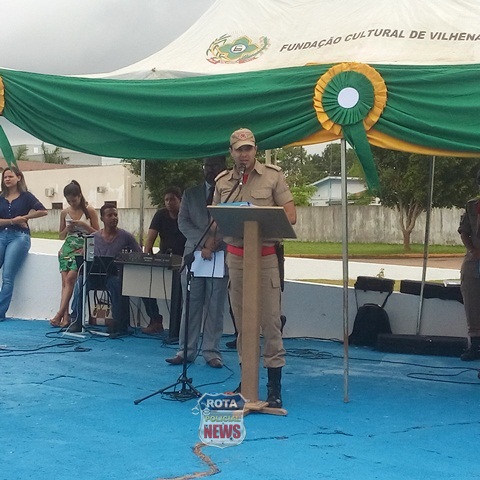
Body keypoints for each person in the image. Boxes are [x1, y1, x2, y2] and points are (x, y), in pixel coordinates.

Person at [213, 128, 296, 408]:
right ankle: (246, 381)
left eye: (248, 148)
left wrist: (260, 216)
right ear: (231, 152)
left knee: (270, 323)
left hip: (265, 258)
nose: (244, 154)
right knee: (242, 325)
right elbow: (216, 219)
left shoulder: (273, 176)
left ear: (255, 150)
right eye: (239, 150)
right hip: (236, 259)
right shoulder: (223, 182)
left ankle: (274, 388)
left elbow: (290, 215)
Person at [166, 156, 229, 368]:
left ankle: (212, 352)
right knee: (191, 306)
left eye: (215, 166)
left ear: (224, 168)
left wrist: (216, 242)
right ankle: (185, 350)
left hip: (220, 255)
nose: (211, 170)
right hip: (195, 255)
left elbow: (236, 222)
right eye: (207, 166)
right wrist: (203, 243)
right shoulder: (190, 194)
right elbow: (183, 222)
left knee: (215, 307)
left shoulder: (232, 194)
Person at [69, 203, 163, 336]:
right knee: (80, 282)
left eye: (115, 215)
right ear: (102, 218)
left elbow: (139, 255)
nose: (114, 217)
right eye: (110, 215)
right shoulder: (93, 237)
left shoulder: (126, 236)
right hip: (95, 275)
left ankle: (118, 322)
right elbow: (85, 257)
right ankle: (76, 320)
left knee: (115, 283)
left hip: (115, 275)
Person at [0, 166, 47, 320]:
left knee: (8, 276)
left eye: (10, 176)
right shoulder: (0, 197)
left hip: (19, 237)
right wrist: (13, 221)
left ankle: (0, 312)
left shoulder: (26, 196)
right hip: (1, 235)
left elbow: (43, 211)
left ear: (18, 178)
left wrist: (26, 218)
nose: (7, 179)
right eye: (5, 177)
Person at [50, 181, 99, 328]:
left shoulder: (89, 211)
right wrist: (68, 229)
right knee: (65, 282)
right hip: (67, 247)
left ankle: (59, 314)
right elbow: (60, 235)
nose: (72, 203)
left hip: (82, 247)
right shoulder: (65, 212)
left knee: (71, 278)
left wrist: (83, 225)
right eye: (69, 201)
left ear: (80, 196)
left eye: (74, 200)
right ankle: (65, 317)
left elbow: (98, 233)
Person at [143, 186, 186, 335]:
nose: (169, 202)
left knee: (179, 291)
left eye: (172, 199)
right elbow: (150, 239)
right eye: (166, 200)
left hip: (184, 260)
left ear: (180, 200)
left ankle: (178, 327)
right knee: (145, 284)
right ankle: (155, 320)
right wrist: (147, 257)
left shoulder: (186, 214)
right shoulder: (160, 215)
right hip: (163, 258)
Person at [458, 170, 480, 361]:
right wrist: (473, 249)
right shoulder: (473, 205)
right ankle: (475, 346)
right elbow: (464, 231)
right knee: (472, 304)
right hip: (475, 260)